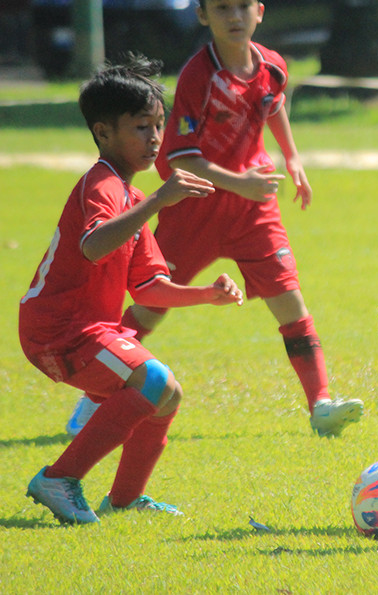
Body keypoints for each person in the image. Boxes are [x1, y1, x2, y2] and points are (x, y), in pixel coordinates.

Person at [64, 0, 362, 439]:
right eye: (222, 7)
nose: (234, 16)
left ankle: (321, 404)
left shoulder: (270, 64)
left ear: (260, 11)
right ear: (202, 14)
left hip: (254, 211)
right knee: (151, 306)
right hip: (192, 208)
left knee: (290, 300)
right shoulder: (198, 77)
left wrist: (292, 158)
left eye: (243, 5)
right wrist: (239, 180)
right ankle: (96, 397)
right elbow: (179, 157)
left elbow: (273, 103)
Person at [20, 55, 244, 524]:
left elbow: (149, 288)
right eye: (142, 127)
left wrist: (206, 293)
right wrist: (160, 200)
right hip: (60, 330)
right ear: (103, 133)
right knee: (154, 380)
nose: (155, 138)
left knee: (168, 393)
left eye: (159, 125)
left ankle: (123, 500)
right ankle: (59, 478)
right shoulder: (102, 186)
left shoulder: (133, 198)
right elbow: (94, 246)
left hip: (83, 329)